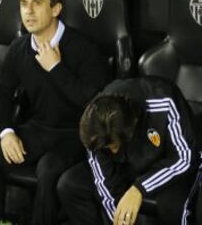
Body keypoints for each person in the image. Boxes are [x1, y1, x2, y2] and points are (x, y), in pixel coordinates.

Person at [0, 0, 110, 225]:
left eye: (37, 3)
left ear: (55, 9)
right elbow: (1, 93)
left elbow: (95, 104)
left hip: (76, 134)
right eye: (23, 4)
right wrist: (6, 132)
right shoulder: (20, 47)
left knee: (48, 170)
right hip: (39, 129)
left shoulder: (84, 48)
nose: (28, 11)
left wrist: (56, 68)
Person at [57, 76, 201, 225]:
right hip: (129, 167)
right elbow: (107, 187)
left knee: (172, 205)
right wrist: (120, 219)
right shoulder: (95, 125)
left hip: (169, 163)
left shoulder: (162, 99)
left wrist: (139, 189)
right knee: (69, 184)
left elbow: (186, 157)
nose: (112, 152)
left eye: (113, 146)